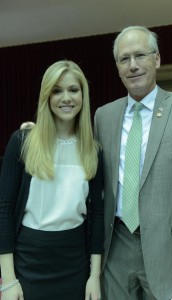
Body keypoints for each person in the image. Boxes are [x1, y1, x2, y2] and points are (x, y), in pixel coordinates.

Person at [94, 26, 172, 300]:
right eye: (124, 59)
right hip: (115, 248)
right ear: (117, 67)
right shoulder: (103, 117)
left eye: (140, 55)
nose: (133, 66)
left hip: (171, 254)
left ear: (157, 59)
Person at [0, 60, 104, 300]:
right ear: (46, 96)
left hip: (75, 264)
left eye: (73, 90)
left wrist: (94, 276)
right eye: (57, 91)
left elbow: (97, 215)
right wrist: (8, 280)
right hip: (27, 263)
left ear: (83, 95)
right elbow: (4, 210)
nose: (66, 98)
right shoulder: (22, 141)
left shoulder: (93, 150)